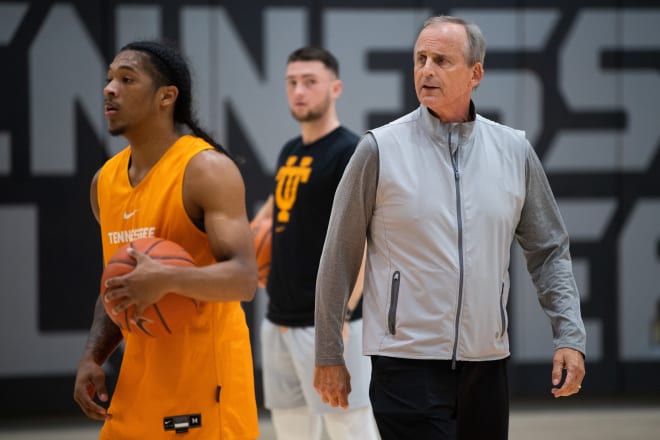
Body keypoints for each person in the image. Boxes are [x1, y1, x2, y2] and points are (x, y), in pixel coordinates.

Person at [313, 15, 587, 440]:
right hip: (404, 364)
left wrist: (569, 334)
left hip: (487, 364)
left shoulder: (513, 150)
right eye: (420, 58)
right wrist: (329, 352)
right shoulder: (379, 149)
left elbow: (549, 249)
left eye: (441, 60)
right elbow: (339, 255)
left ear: (475, 73)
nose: (426, 70)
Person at [73, 40, 260, 439]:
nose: (109, 89)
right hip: (138, 383)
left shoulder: (205, 170)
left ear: (166, 97)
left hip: (205, 385)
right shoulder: (103, 182)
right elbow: (117, 283)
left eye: (126, 79)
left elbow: (244, 279)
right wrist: (93, 355)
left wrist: (168, 280)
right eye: (109, 79)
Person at [250, 47, 379, 440]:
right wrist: (255, 251)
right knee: (290, 430)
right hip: (278, 320)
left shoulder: (351, 152)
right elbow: (269, 217)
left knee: (349, 427)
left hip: (328, 325)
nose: (299, 91)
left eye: (310, 82)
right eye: (292, 83)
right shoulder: (289, 152)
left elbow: (366, 241)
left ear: (335, 88)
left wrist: (343, 313)